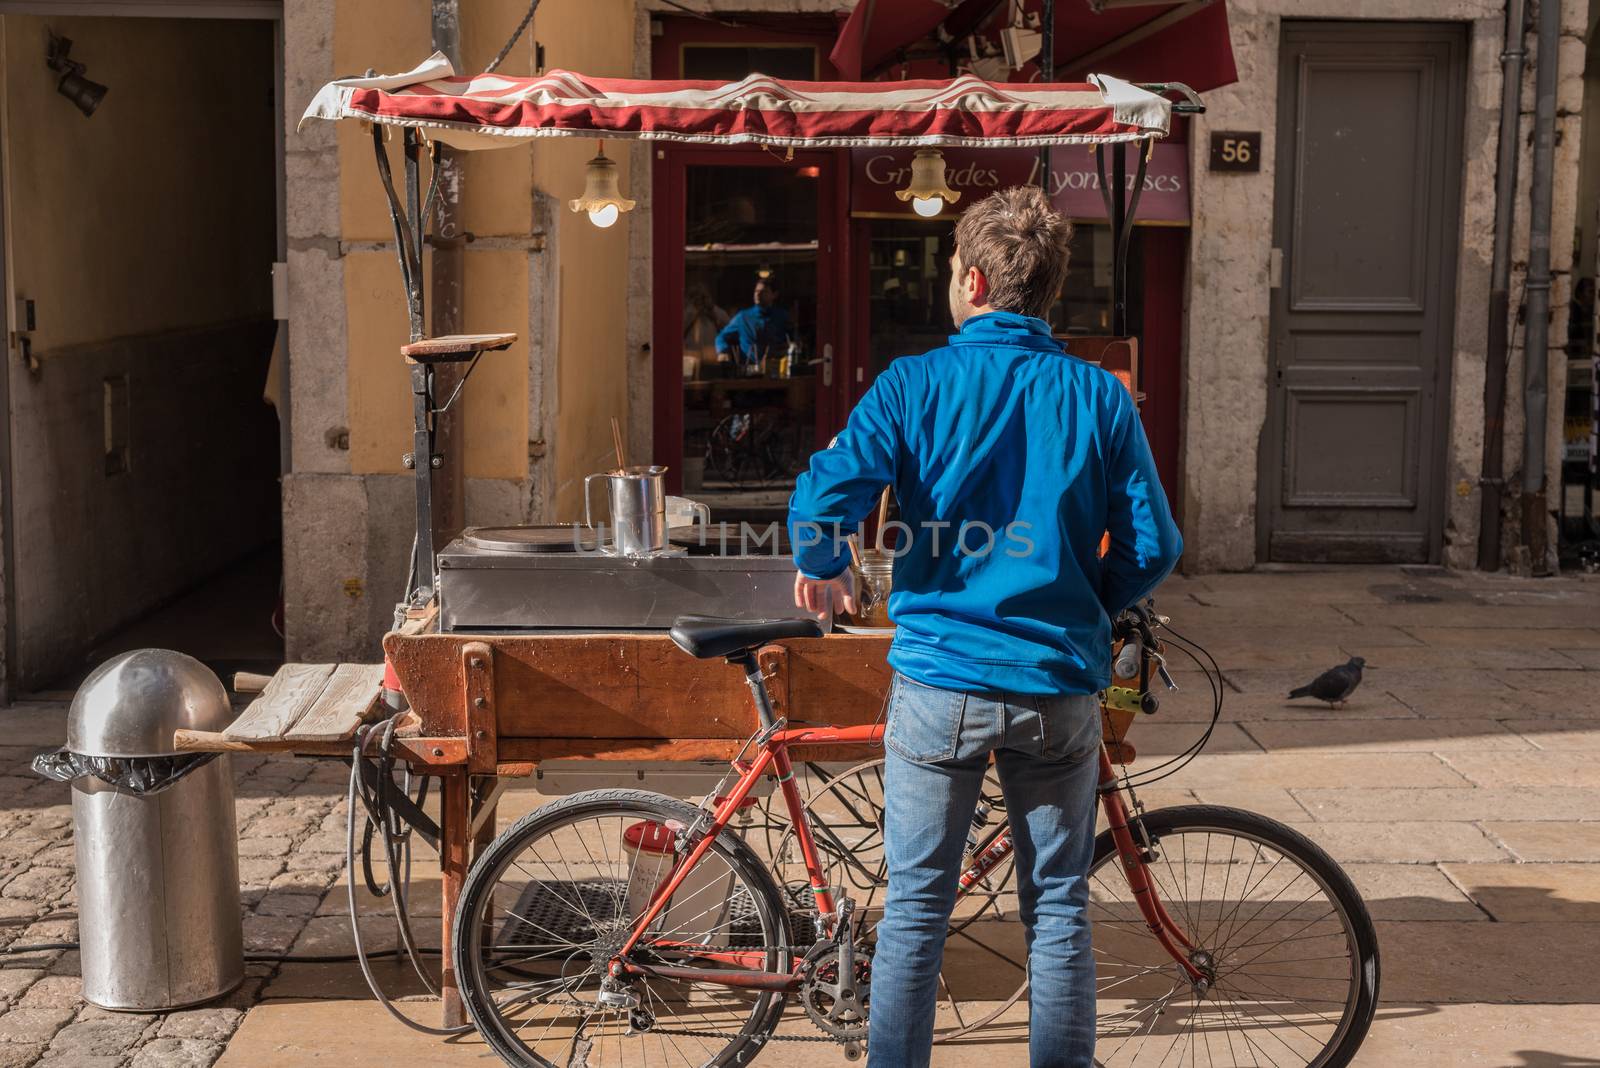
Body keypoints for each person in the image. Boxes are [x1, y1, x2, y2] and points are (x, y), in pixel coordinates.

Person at [787, 185, 1182, 1068]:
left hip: (941, 682)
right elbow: (1157, 542)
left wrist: (821, 563)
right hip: (1057, 684)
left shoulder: (913, 384)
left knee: (919, 912)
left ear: (970, 280)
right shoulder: (1099, 397)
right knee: (1057, 911)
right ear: (1047, 294)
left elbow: (826, 494)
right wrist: (1091, 596)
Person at [715, 275, 792, 367]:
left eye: (764, 292)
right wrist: (723, 351)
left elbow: (792, 340)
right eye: (756, 291)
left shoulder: (782, 316)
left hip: (776, 368)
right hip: (749, 370)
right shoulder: (743, 317)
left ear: (774, 295)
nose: (758, 294)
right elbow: (721, 337)